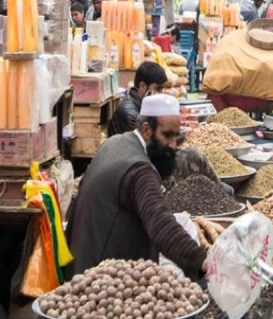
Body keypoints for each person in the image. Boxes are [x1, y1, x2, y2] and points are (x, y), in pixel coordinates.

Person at [66, 94, 207, 276]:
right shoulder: (139, 170)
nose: (173, 145)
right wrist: (201, 261)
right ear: (147, 130)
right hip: (100, 279)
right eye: (167, 135)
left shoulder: (114, 142)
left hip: (80, 263)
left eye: (176, 136)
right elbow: (160, 223)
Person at [108, 62, 168, 137]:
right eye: (158, 88)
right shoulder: (131, 116)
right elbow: (144, 142)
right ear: (143, 86)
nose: (160, 93)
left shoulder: (140, 104)